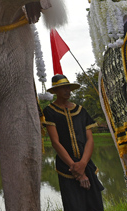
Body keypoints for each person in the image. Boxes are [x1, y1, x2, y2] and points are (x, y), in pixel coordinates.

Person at [43, 74, 104, 211]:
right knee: (74, 205)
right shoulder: (49, 111)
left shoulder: (81, 111)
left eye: (68, 88)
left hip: (86, 164)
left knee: (95, 204)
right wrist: (75, 168)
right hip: (66, 167)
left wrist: (82, 164)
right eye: (63, 88)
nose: (67, 91)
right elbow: (55, 142)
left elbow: (90, 140)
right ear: (55, 91)